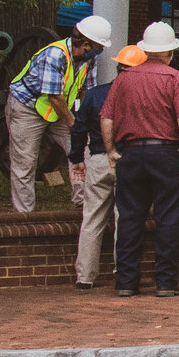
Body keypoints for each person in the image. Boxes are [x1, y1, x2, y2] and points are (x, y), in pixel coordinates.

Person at [104, 20, 179, 297]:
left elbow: (107, 118)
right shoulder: (175, 78)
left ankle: (126, 282)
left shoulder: (123, 78)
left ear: (144, 50)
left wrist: (111, 150)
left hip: (131, 152)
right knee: (168, 218)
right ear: (171, 52)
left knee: (130, 218)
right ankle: (166, 282)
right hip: (167, 153)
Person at [4, 14, 113, 213]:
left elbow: (86, 92)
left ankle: (83, 203)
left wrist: (84, 122)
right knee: (25, 162)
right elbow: (54, 98)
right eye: (99, 46)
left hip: (59, 110)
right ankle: (24, 216)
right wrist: (75, 125)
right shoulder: (55, 55)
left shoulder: (89, 61)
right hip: (28, 108)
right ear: (86, 44)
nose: (101, 51)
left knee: (85, 147)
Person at [69, 46, 139, 289]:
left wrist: (76, 156)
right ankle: (123, 272)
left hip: (98, 158)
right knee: (125, 219)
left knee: (91, 219)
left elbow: (79, 129)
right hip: (129, 158)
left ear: (118, 67)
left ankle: (85, 277)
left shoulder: (95, 94)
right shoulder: (139, 96)